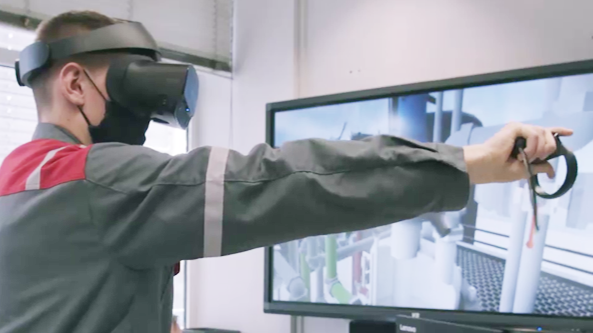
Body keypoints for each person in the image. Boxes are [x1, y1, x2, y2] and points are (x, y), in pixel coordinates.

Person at [0, 10, 571, 333]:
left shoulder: (16, 186)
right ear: (74, 84)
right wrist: (470, 164)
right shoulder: (97, 181)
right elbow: (286, 180)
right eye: (126, 79)